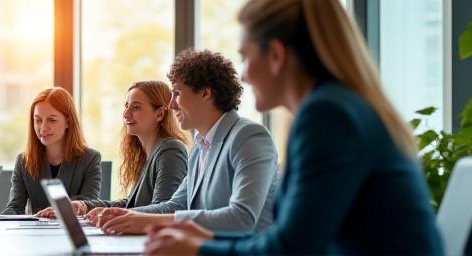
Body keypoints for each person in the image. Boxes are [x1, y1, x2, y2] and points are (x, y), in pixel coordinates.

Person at [144, 0, 443, 255]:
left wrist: (199, 249)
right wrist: (206, 239)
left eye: (246, 57)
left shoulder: (327, 116)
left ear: (276, 55)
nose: (244, 76)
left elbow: (292, 248)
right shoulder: (334, 107)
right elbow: (291, 239)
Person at [93, 48, 279, 235]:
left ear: (206, 93)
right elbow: (176, 205)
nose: (171, 104)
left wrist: (142, 221)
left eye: (177, 93)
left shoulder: (249, 136)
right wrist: (121, 215)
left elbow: (242, 218)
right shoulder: (200, 147)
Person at [40, 81, 189, 218]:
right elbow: (132, 204)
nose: (126, 114)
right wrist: (84, 206)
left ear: (160, 114)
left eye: (136, 107)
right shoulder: (149, 155)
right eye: (126, 106)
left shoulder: (171, 150)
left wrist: (111, 214)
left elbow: (163, 210)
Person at [0, 88, 102, 216]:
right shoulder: (23, 161)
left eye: (51, 120)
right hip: (36, 234)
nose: (43, 128)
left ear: (68, 122)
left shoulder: (90, 159)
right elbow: (15, 207)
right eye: (38, 120)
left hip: (73, 233)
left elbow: (89, 205)